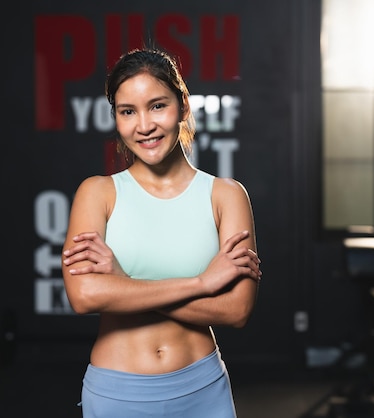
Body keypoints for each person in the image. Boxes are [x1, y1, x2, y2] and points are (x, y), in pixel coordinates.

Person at [61, 47, 261, 418]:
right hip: (117, 393)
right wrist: (202, 283)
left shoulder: (225, 196)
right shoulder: (98, 192)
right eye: (127, 112)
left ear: (182, 105)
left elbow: (236, 310)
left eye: (157, 106)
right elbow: (85, 295)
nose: (144, 126)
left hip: (203, 390)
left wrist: (122, 283)